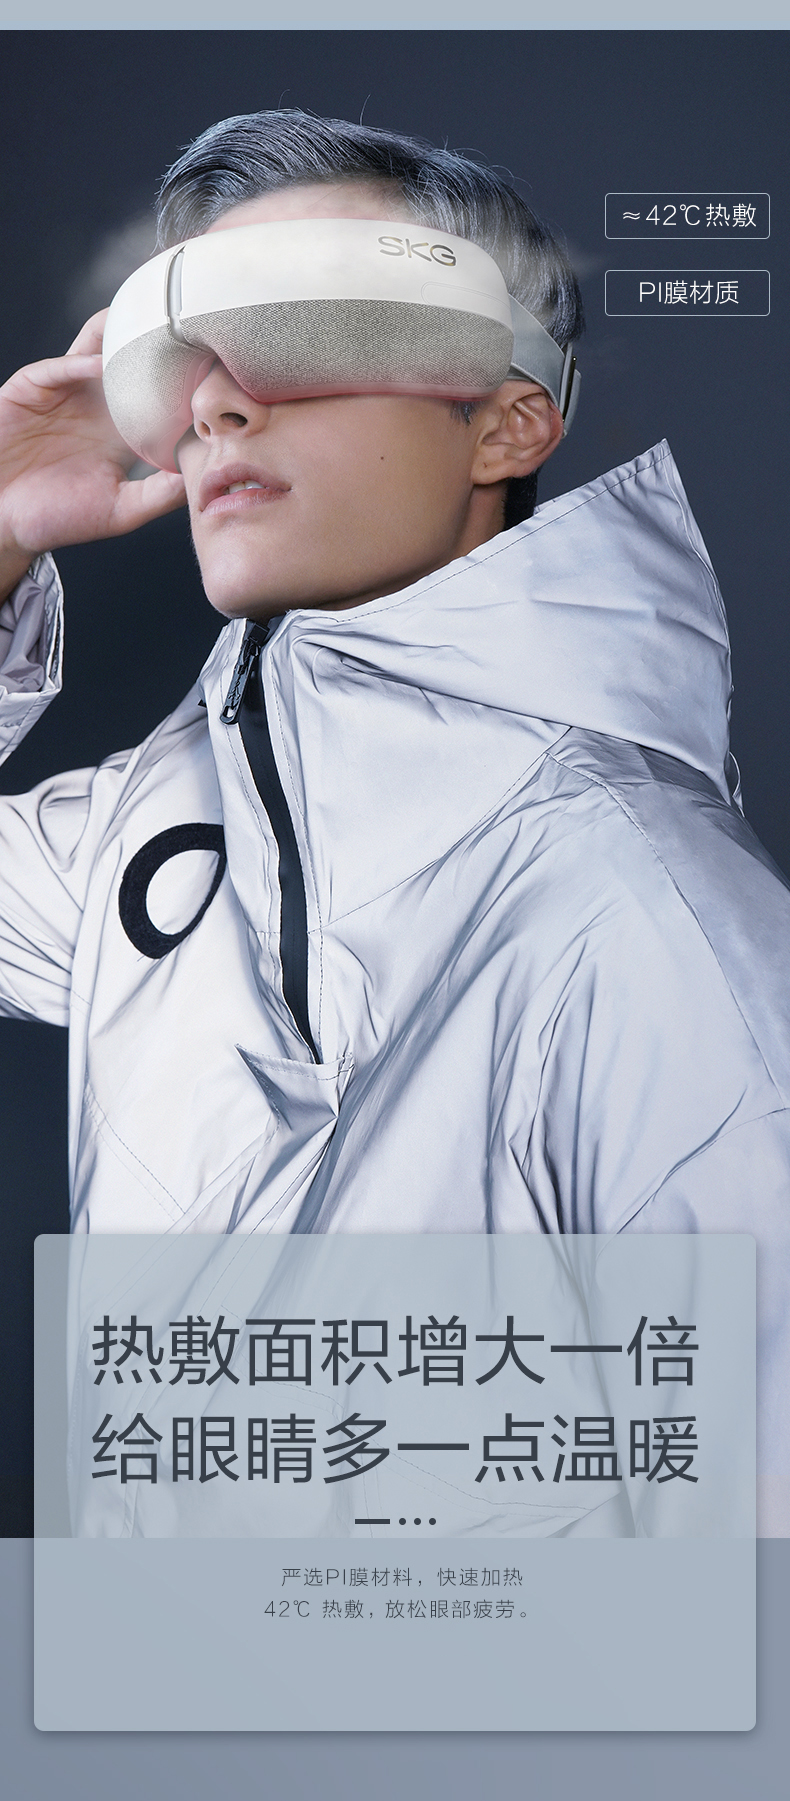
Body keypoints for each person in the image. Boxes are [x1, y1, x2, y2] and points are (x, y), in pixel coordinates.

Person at [1, 113, 788, 1525]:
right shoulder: (149, 830)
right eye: (186, 361)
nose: (219, 406)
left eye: (304, 330)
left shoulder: (645, 904)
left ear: (505, 419)